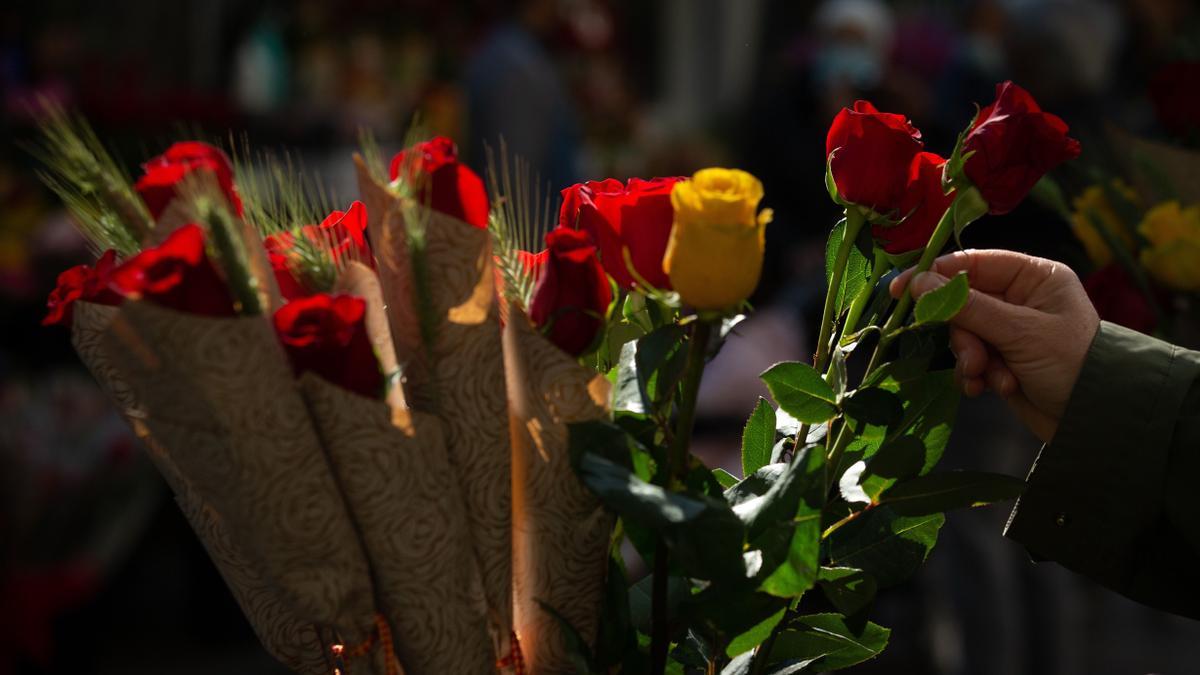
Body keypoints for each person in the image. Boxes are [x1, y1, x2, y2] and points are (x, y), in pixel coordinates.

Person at [891, 249, 1200, 619]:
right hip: (1024, 386)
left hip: (973, 390)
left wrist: (1096, 376)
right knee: (1025, 549)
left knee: (983, 548)